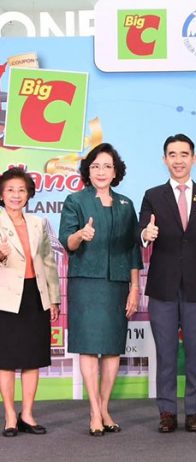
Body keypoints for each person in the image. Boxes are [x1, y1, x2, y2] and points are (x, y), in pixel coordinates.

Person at [139, 133, 196, 433]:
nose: (178, 160)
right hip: (162, 288)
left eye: (184, 154)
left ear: (194, 158)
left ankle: (194, 412)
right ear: (165, 159)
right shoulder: (153, 195)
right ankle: (166, 412)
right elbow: (142, 229)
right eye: (172, 154)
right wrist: (146, 235)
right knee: (165, 353)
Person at [59, 143, 142, 436]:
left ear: (116, 171)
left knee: (112, 348)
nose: (101, 172)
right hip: (86, 282)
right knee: (88, 346)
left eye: (107, 166)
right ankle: (94, 411)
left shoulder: (126, 204)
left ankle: (104, 408)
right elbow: (67, 242)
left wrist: (134, 288)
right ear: (88, 171)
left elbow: (133, 250)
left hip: (117, 284)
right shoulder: (75, 201)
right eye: (95, 166)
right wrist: (81, 234)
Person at [0, 167, 60, 437]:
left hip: (35, 296)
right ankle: (10, 416)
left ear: (28, 194)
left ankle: (27, 414)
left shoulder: (38, 223)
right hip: (5, 299)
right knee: (6, 360)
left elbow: (48, 262)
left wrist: (54, 298)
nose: (16, 195)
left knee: (32, 358)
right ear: (2, 195)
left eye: (21, 190)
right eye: (10, 190)